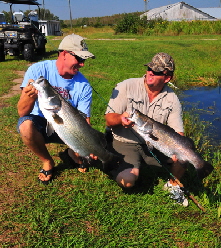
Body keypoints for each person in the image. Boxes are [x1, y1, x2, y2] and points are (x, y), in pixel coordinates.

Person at [105, 52, 189, 207]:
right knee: (128, 182)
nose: (150, 72)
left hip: (154, 144)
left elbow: (178, 132)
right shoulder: (126, 86)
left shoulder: (172, 99)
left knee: (185, 153)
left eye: (156, 71)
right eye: (150, 67)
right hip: (125, 141)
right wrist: (120, 120)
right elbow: (109, 119)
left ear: (167, 78)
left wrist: (178, 149)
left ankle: (173, 185)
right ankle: (111, 162)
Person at [17, 33, 95, 184]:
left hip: (68, 126)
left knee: (83, 148)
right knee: (25, 125)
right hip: (40, 123)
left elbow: (85, 120)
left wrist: (88, 144)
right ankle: (47, 161)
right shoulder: (37, 70)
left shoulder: (84, 85)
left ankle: (72, 152)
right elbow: (22, 112)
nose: (82, 64)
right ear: (64, 54)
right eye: (79, 59)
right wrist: (29, 96)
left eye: (84, 59)